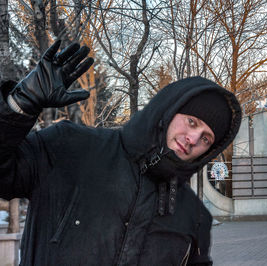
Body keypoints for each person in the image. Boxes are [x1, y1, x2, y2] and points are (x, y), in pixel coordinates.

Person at [0, 41, 242, 265]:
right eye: (191, 121)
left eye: (206, 138)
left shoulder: (194, 215)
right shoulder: (70, 147)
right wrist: (19, 105)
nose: (193, 139)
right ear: (168, 111)